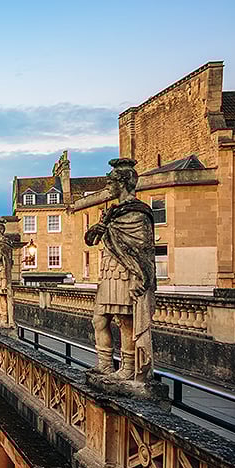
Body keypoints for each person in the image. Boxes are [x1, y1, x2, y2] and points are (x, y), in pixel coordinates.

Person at [84, 158, 155, 381]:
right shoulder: (114, 213)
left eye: (111, 182)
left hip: (126, 273)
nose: (108, 187)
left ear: (123, 183)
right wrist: (99, 227)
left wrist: (139, 279)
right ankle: (105, 365)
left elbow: (142, 251)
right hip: (109, 271)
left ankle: (127, 368)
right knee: (99, 319)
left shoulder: (138, 213)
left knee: (125, 321)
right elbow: (91, 241)